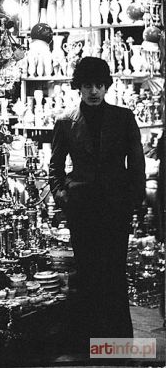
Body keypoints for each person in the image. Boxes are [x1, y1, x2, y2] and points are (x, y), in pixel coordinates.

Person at [49, 57, 145, 342]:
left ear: (107, 87)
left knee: (115, 272)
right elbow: (54, 166)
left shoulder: (123, 117)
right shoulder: (65, 121)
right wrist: (62, 196)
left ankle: (118, 343)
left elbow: (137, 162)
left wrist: (134, 200)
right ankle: (90, 343)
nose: (94, 91)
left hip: (116, 207)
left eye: (99, 85)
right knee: (87, 273)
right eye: (88, 85)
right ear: (79, 86)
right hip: (81, 208)